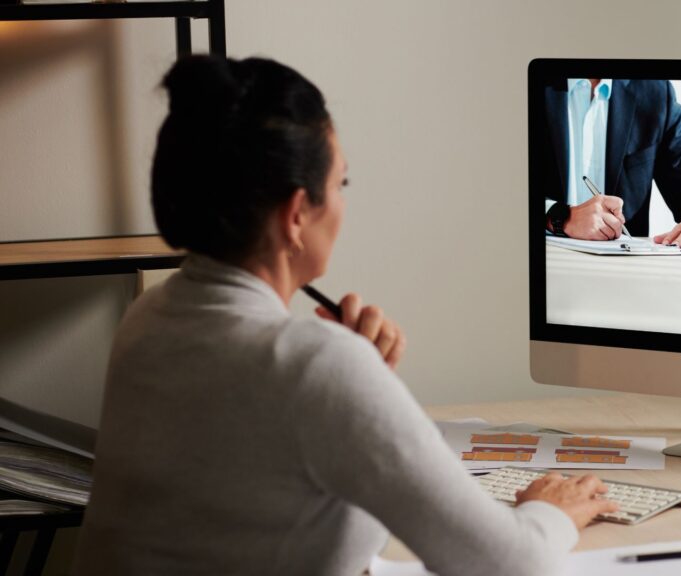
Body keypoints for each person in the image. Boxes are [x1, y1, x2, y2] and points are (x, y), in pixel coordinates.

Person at [74, 55, 615, 576]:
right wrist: (552, 508)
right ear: (295, 215)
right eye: (340, 184)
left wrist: (360, 378)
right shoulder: (316, 367)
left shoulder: (147, 319)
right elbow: (511, 562)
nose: (342, 203)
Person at [542, 78, 681, 252]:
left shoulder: (654, 93)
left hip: (624, 275)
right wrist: (561, 218)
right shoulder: (529, 81)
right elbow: (512, 196)